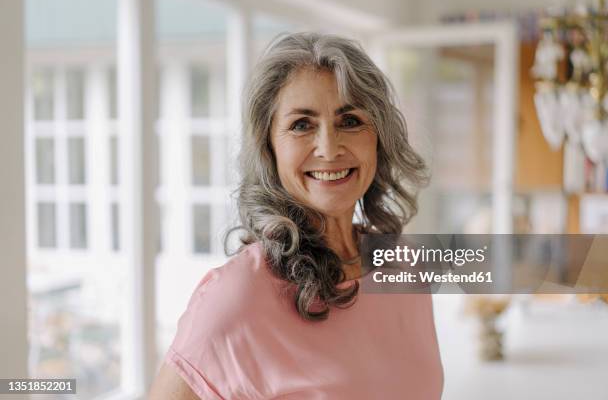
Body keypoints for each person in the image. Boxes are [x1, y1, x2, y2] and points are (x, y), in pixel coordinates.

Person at [149, 31, 444, 399]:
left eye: (350, 120)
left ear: (378, 137)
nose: (329, 147)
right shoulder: (236, 299)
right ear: (269, 148)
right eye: (302, 125)